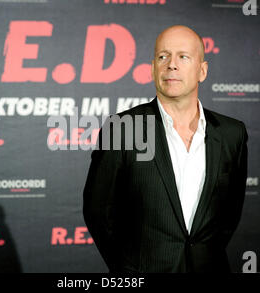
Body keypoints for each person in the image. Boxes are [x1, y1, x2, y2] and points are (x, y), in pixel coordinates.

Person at [83, 25, 248, 273]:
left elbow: (229, 214)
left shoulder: (231, 133)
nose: (171, 64)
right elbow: (98, 212)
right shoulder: (124, 129)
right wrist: (129, 269)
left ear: (202, 70)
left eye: (183, 56)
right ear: (152, 69)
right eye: (163, 56)